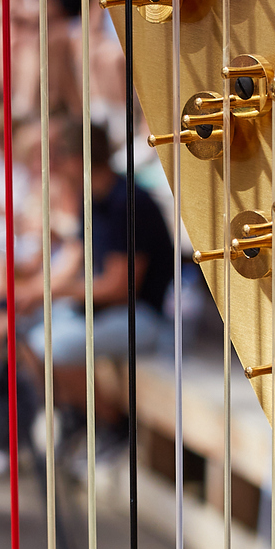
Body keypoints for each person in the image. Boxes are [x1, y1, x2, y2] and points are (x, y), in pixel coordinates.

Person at [24, 118, 173, 423]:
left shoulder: (127, 202)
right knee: (21, 324)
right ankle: (70, 415)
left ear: (77, 160)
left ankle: (109, 426)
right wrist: (30, 293)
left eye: (59, 156)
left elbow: (120, 289)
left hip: (146, 318)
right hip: (107, 311)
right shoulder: (92, 196)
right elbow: (73, 259)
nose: (55, 166)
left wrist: (53, 293)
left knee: (50, 344)